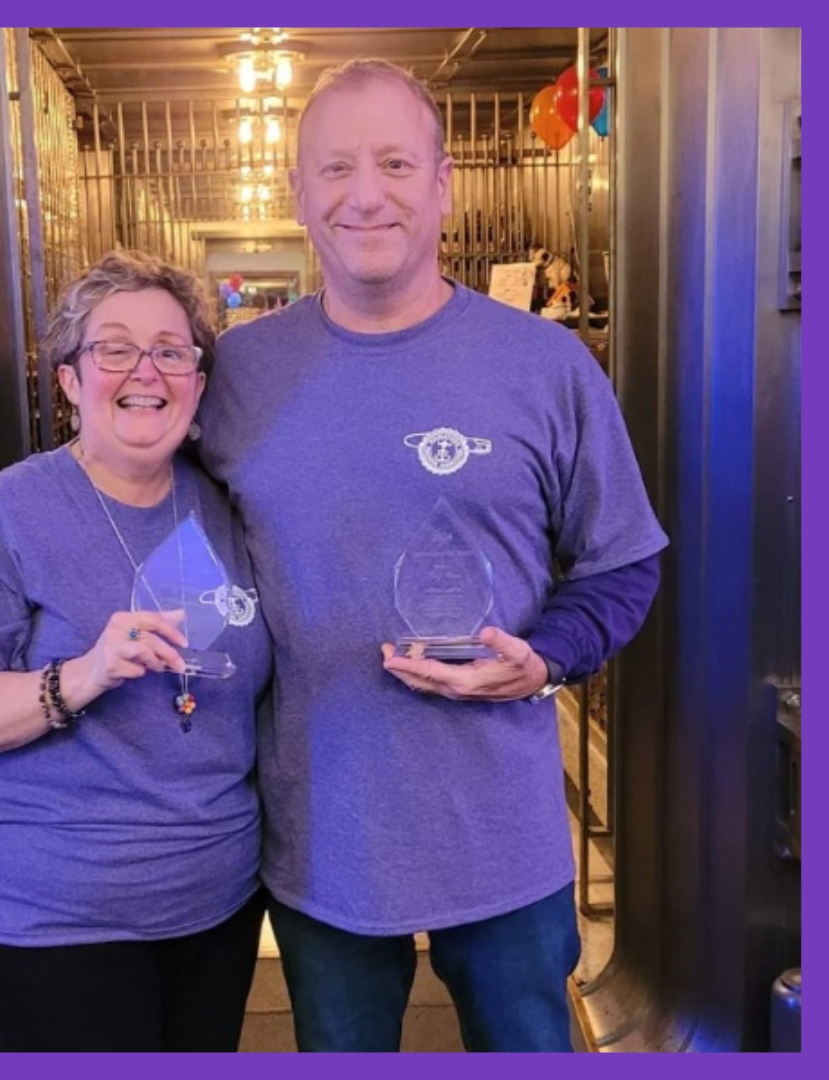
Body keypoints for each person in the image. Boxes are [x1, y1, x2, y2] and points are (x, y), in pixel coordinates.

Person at [198, 59, 668, 1053]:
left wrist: (546, 656)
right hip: (321, 840)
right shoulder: (236, 374)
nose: (365, 194)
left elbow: (622, 564)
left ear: (444, 184)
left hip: (506, 839)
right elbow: (174, 549)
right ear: (296, 195)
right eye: (334, 169)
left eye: (396, 163)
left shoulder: (545, 364)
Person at [0, 250, 272, 1052]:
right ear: (71, 379)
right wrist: (80, 676)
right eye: (114, 348)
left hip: (214, 904)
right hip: (53, 915)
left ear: (199, 380)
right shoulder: (3, 516)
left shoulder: (226, 507)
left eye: (172, 351)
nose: (146, 371)